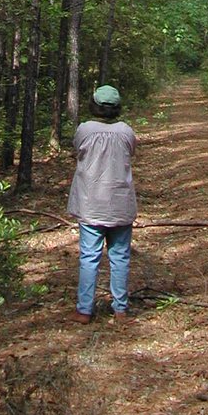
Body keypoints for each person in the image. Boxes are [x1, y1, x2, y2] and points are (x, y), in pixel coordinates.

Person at [67, 84, 137, 323]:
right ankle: (120, 309)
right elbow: (131, 152)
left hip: (91, 204)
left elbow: (77, 149)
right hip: (119, 203)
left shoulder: (84, 130)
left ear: (94, 106)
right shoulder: (126, 131)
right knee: (120, 257)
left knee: (89, 257)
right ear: (117, 108)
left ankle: (84, 310)